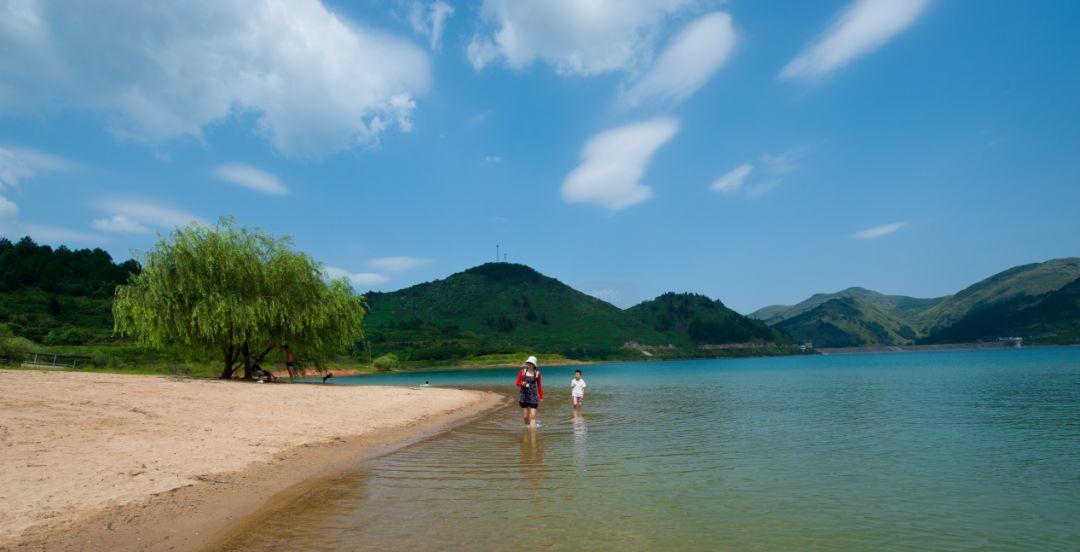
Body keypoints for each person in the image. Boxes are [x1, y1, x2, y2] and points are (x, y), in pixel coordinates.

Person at [515, 356, 543, 426]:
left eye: (531, 363)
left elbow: (539, 385)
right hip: (524, 395)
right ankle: (528, 427)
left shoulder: (537, 373)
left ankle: (532, 432)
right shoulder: (522, 372)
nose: (529, 364)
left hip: (533, 395)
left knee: (533, 415)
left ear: (534, 364)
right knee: (525, 416)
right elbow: (517, 383)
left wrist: (541, 396)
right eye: (528, 363)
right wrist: (522, 383)